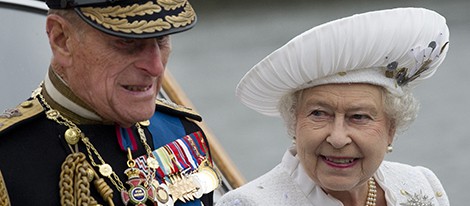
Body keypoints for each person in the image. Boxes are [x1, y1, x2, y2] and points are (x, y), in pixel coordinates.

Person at [217, 7, 450, 206]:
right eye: (319, 114)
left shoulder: (422, 184)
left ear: (391, 129)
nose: (338, 139)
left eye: (358, 117)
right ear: (294, 122)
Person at [0, 0, 220, 205]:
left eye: (161, 39)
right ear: (62, 39)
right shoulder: (8, 161)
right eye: (127, 42)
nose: (156, 67)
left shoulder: (181, 132)